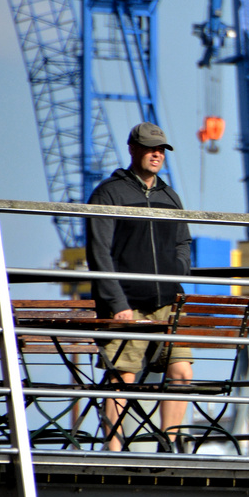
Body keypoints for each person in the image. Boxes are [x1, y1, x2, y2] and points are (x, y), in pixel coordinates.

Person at [85, 122, 194, 450]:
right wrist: (117, 303)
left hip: (167, 302)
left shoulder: (169, 196)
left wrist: (177, 278)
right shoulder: (109, 193)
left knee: (182, 372)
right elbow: (98, 252)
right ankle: (114, 451)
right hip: (126, 303)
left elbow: (183, 242)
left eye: (161, 149)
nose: (157, 154)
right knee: (122, 376)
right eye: (149, 148)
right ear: (132, 149)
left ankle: (169, 446)